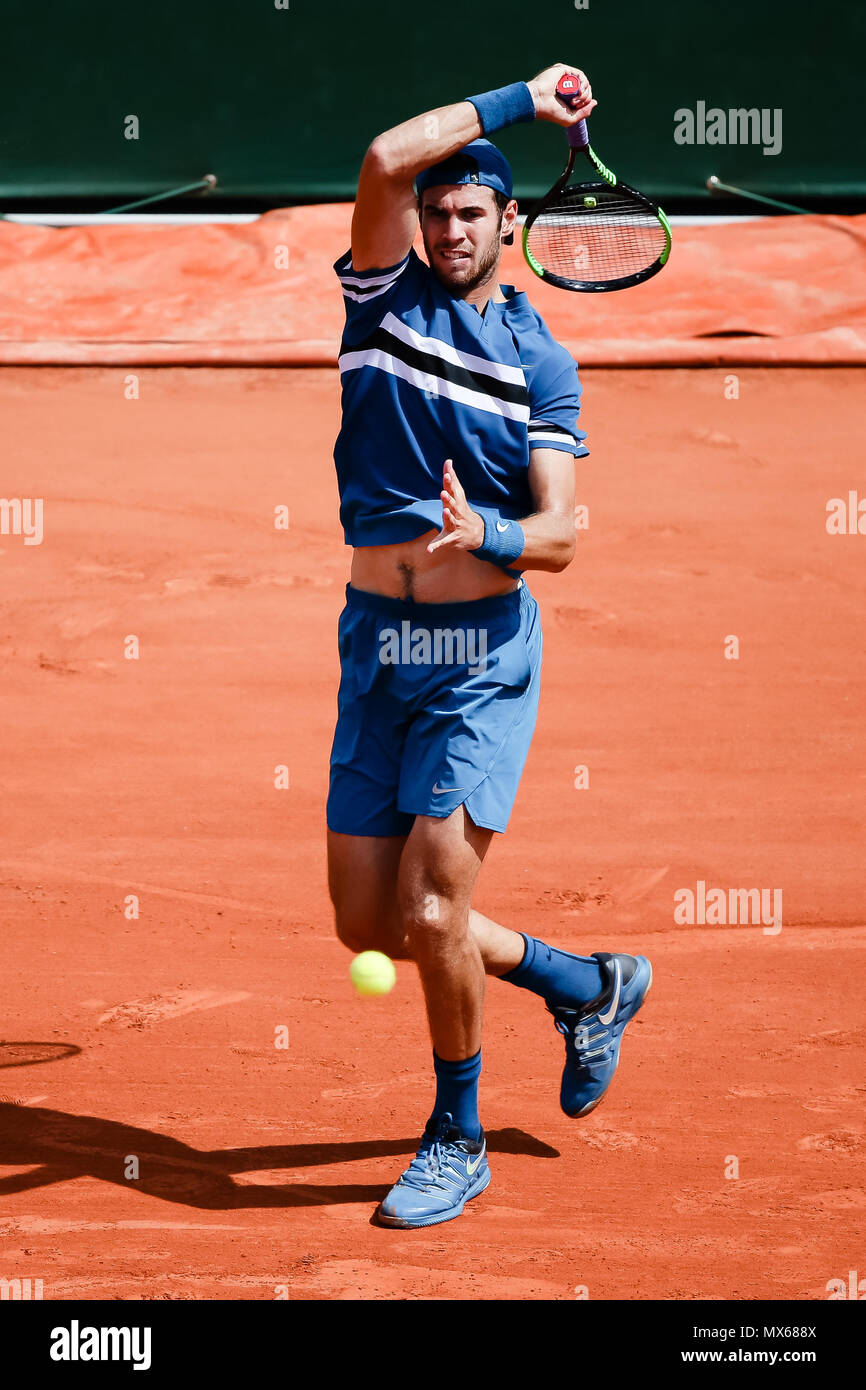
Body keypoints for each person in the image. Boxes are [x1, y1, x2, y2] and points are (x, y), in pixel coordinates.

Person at [326, 61, 651, 1229]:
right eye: (437, 209)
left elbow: (561, 535)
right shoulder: (379, 299)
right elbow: (380, 150)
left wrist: (495, 529)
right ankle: (582, 980)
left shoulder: (539, 363)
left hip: (477, 662)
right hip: (377, 652)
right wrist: (525, 97)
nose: (450, 225)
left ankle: (454, 1134)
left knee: (426, 916)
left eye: (473, 212)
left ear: (509, 225)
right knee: (366, 924)